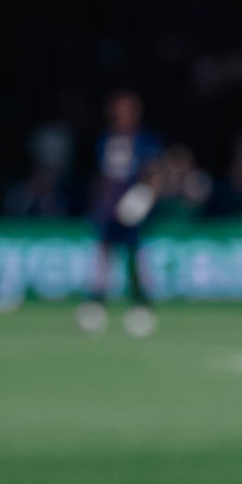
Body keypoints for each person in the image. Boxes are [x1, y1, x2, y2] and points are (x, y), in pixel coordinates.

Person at [76, 91, 163, 338]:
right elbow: (102, 176)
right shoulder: (106, 139)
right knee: (103, 254)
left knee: (134, 255)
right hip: (107, 208)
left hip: (132, 206)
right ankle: (96, 302)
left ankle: (140, 304)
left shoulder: (145, 140)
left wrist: (143, 197)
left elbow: (155, 173)